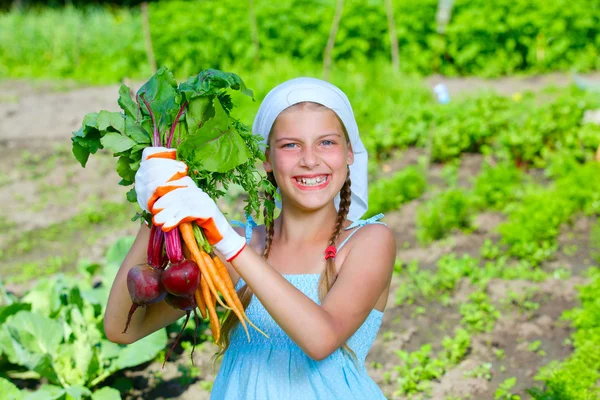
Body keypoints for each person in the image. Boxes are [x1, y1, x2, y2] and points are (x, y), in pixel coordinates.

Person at [103, 77, 396, 399]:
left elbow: (321, 340)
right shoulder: (241, 246)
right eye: (290, 145)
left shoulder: (367, 242)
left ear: (350, 154)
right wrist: (157, 204)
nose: (310, 160)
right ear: (266, 159)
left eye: (327, 142)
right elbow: (123, 329)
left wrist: (227, 241)